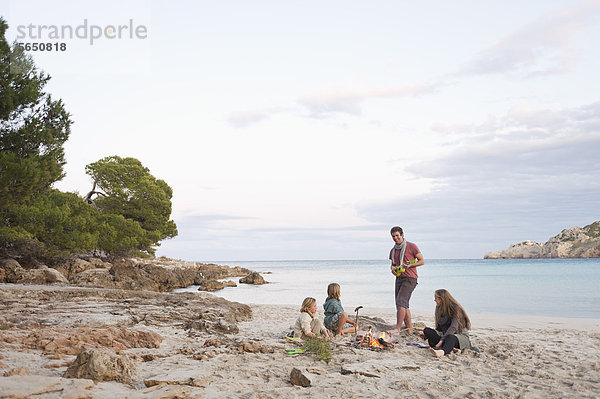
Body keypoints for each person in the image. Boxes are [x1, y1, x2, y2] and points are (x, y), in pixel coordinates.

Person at [389, 226, 424, 334]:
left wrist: (410, 265)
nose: (395, 238)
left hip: (410, 278)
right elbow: (393, 265)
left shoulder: (411, 246)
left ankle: (397, 328)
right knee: (403, 304)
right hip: (399, 278)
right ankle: (409, 329)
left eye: (397, 236)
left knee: (401, 302)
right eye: (393, 236)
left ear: (402, 235)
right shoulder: (393, 250)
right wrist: (393, 270)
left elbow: (422, 261)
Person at [422, 289, 472, 358]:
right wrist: (428, 335)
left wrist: (441, 341)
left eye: (436, 298)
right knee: (427, 331)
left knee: (450, 337)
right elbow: (439, 327)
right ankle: (452, 349)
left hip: (459, 335)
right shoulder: (438, 308)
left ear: (442, 299)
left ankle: (441, 352)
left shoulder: (455, 308)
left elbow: (453, 327)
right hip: (445, 334)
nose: (434, 300)